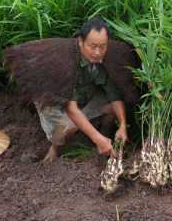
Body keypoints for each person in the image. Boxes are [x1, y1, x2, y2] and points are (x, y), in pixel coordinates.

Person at [34, 18, 128, 162]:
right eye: (92, 46)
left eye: (102, 47)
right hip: (54, 102)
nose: (97, 52)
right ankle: (54, 148)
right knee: (65, 129)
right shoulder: (67, 63)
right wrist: (97, 139)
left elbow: (114, 95)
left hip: (82, 96)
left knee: (112, 107)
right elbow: (71, 109)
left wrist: (122, 125)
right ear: (80, 42)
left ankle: (104, 137)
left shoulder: (102, 60)